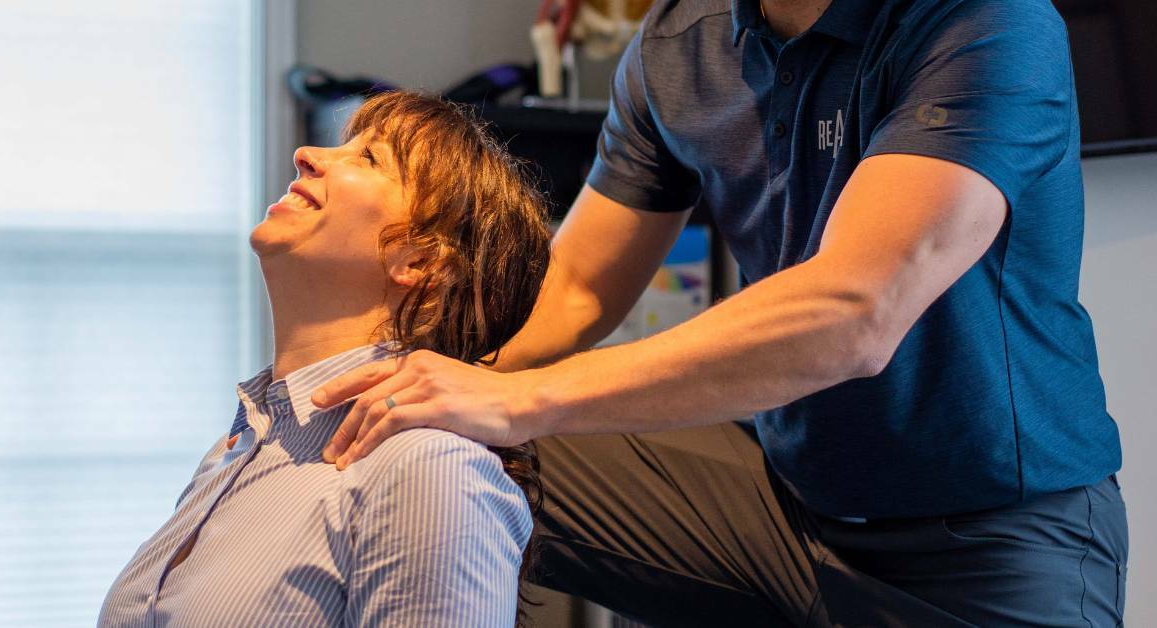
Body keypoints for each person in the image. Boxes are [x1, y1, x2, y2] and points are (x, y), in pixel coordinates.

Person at [309, 0, 1129, 625]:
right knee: (408, 438)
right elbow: (581, 286)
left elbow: (854, 310)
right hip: (783, 506)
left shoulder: (988, 24)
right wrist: (452, 387)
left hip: (994, 539)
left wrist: (517, 399)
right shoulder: (681, 43)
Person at [98, 91, 551, 627]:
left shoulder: (430, 469)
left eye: (369, 158)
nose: (307, 153)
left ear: (422, 261)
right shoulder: (233, 452)